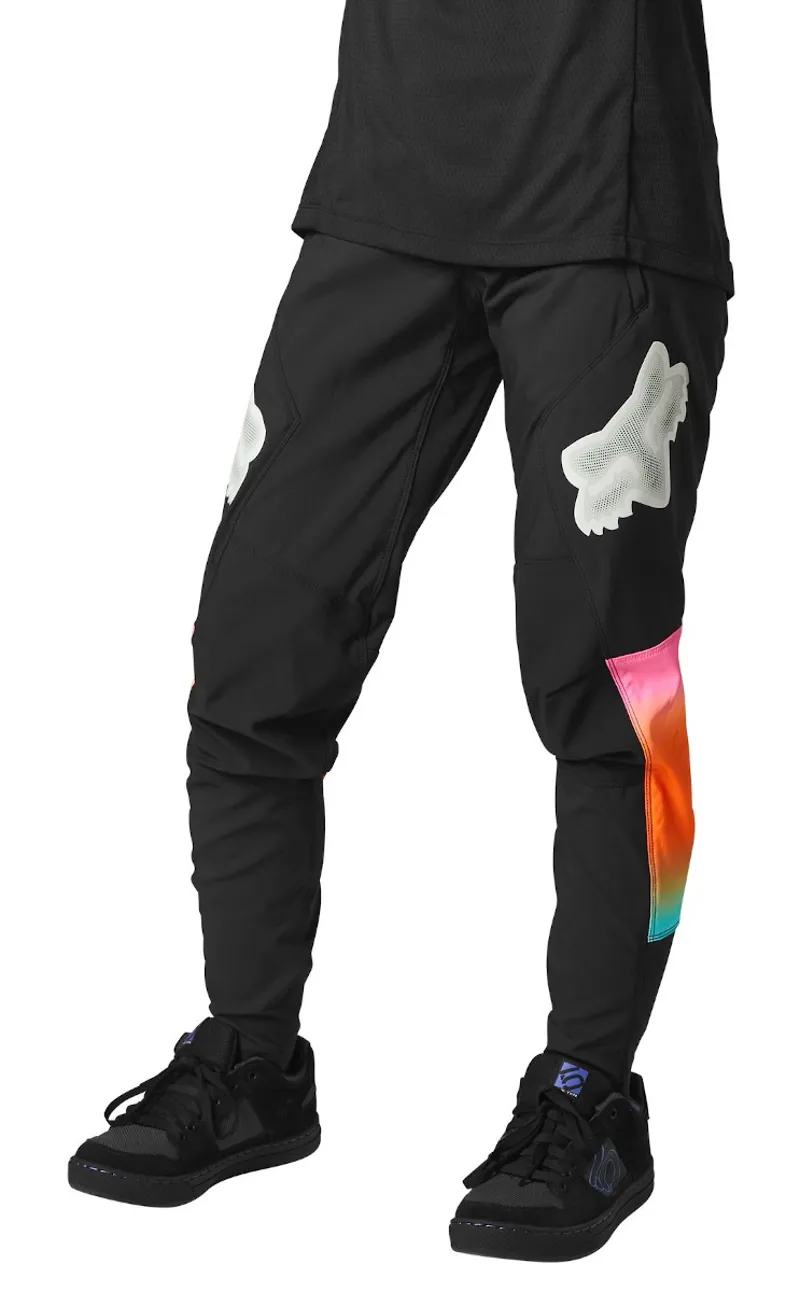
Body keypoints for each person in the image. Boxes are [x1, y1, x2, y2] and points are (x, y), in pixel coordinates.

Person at [68, 0, 731, 1261]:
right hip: (386, 181)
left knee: (614, 678)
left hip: (606, 187)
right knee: (256, 633)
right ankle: (251, 1056)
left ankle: (592, 1089)